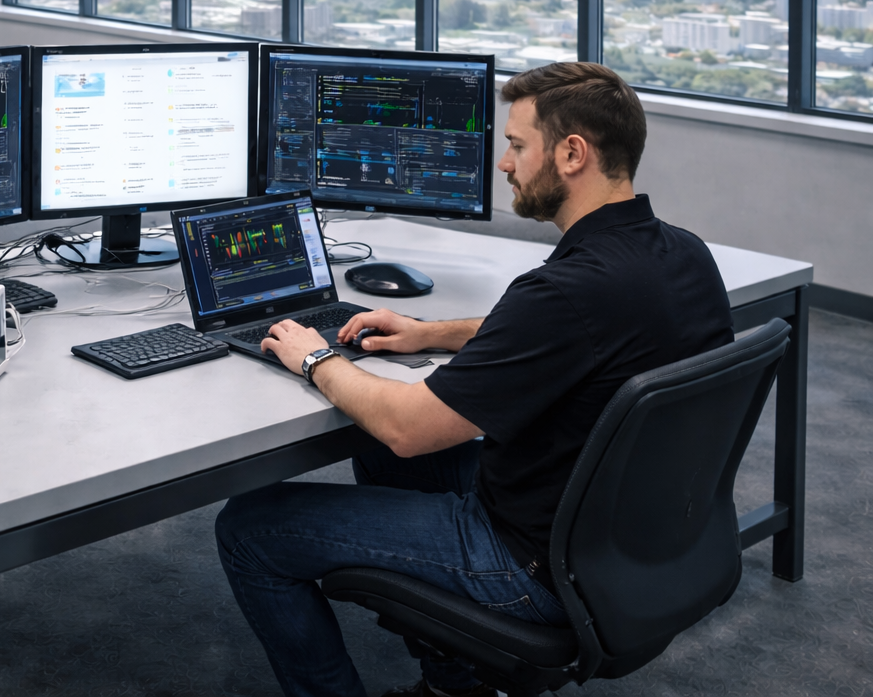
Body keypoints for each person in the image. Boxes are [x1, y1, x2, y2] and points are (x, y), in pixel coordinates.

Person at [216, 62, 734, 697]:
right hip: (625, 546)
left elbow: (409, 429)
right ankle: (453, 688)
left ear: (572, 153)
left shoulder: (563, 291)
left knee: (250, 527)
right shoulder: (683, 253)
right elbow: (572, 332)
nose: (505, 164)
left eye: (517, 145)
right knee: (383, 448)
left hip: (531, 566)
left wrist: (315, 358)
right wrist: (428, 331)